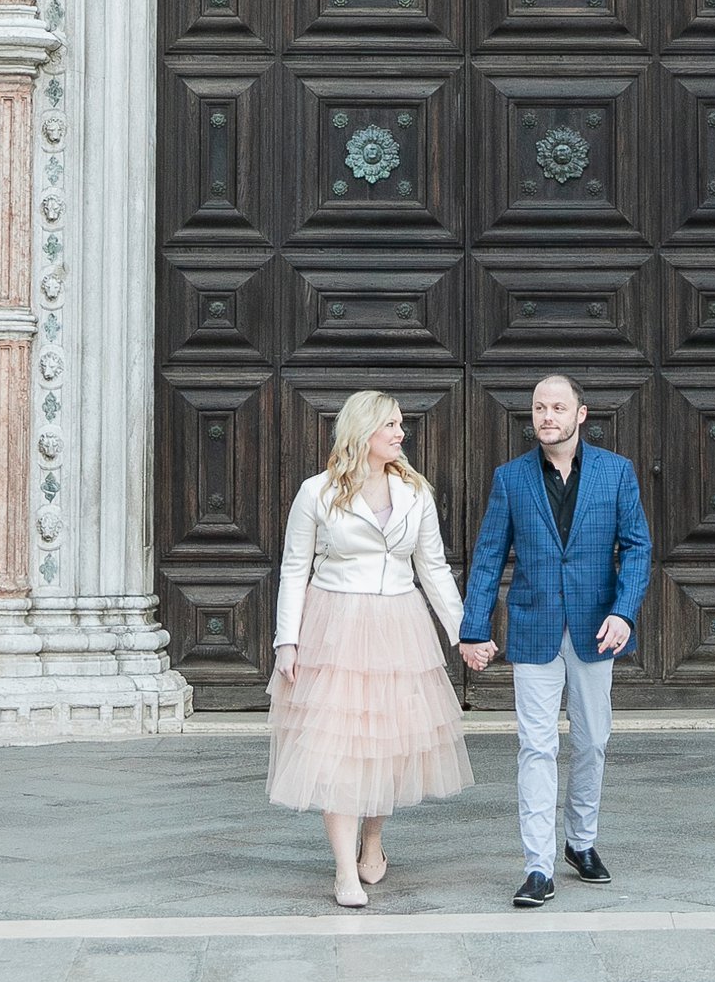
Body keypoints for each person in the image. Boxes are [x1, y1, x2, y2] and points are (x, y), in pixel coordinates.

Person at [268, 390, 472, 909]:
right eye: (391, 425)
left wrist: (464, 633)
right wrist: (287, 640)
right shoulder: (317, 492)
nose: (401, 433)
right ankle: (344, 872)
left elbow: (433, 568)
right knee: (337, 749)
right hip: (334, 626)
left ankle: (373, 838)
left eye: (401, 424)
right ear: (363, 431)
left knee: (388, 744)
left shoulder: (415, 492)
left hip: (398, 626)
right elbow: (294, 568)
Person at [459, 373, 652, 909]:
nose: (547, 416)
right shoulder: (511, 478)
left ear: (580, 414)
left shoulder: (616, 472)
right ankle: (538, 867)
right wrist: (473, 629)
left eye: (558, 408)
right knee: (536, 747)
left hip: (597, 630)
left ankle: (581, 842)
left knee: (592, 741)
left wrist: (624, 612)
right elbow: (488, 557)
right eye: (540, 407)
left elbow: (637, 548)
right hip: (534, 627)